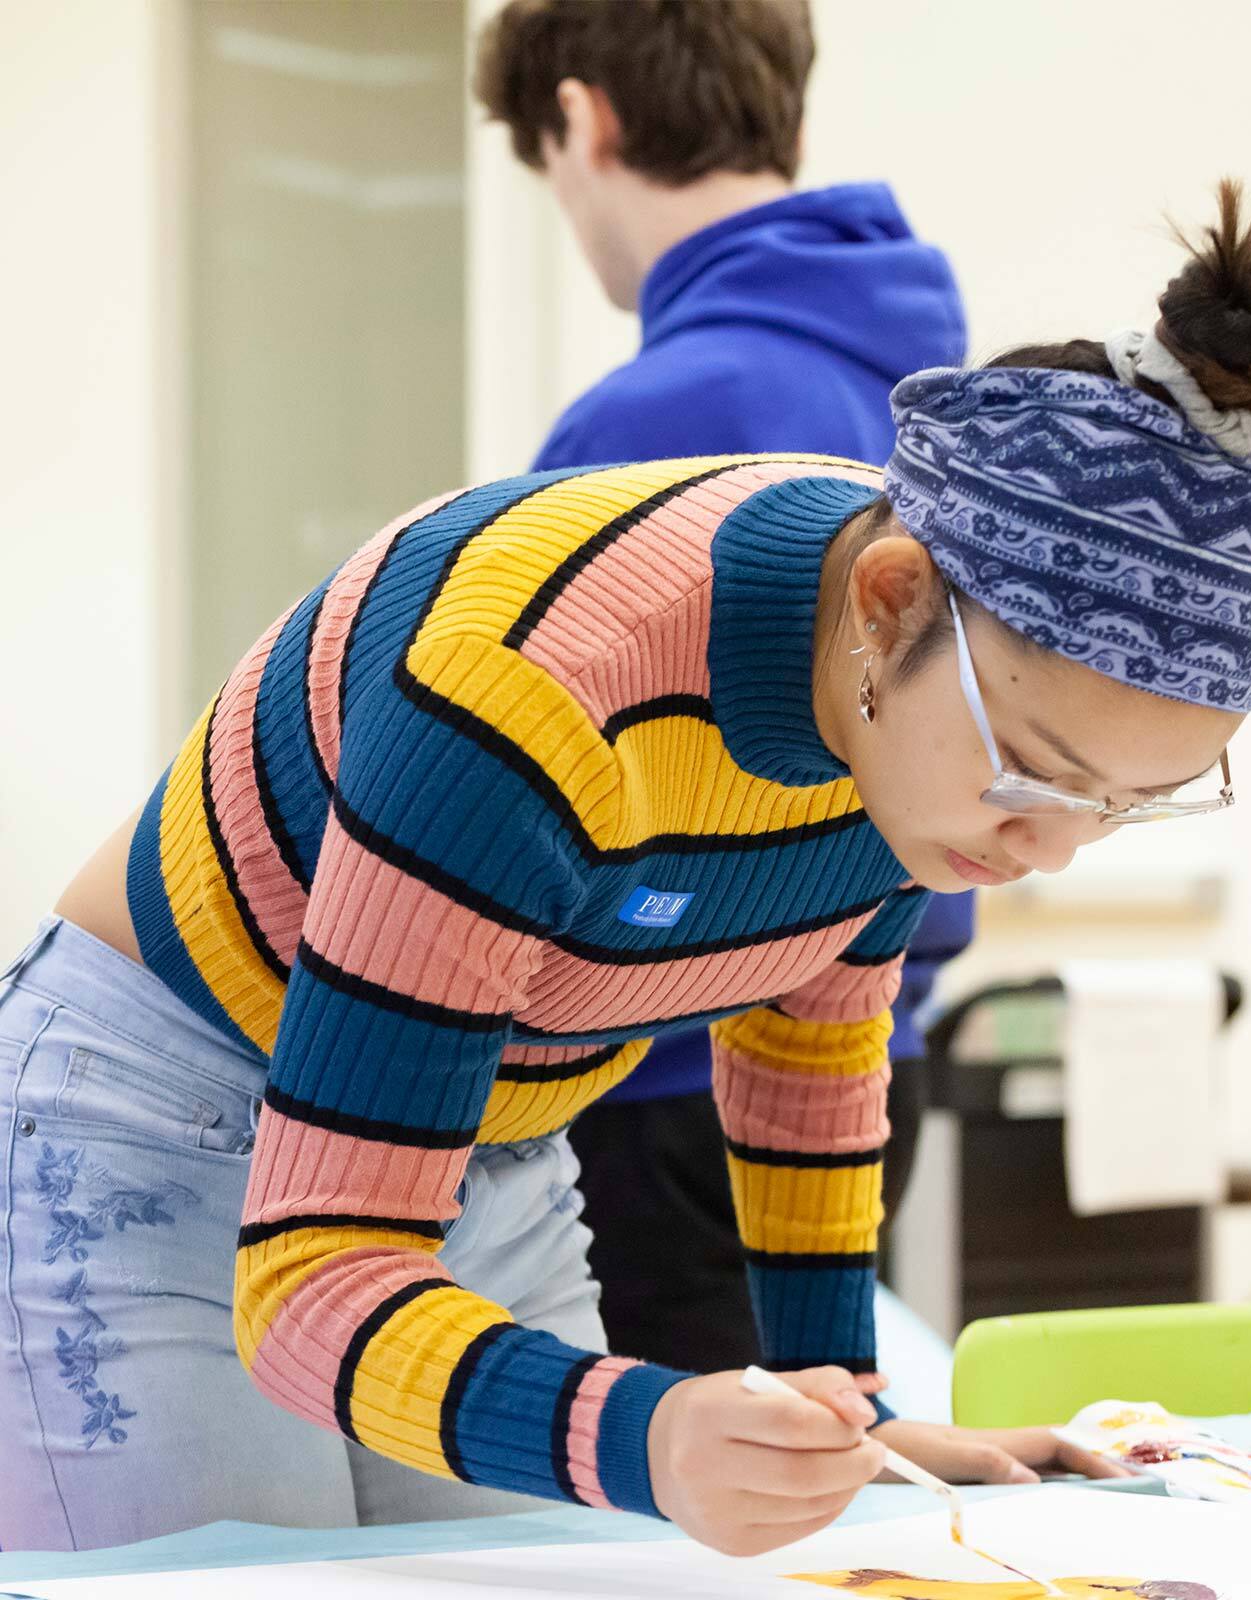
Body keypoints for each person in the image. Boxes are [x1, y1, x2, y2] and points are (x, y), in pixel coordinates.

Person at [0, 182, 1251, 1554]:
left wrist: (832, 1406)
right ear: (888, 605)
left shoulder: (921, 719)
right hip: (155, 1130)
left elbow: (809, 1044)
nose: (1048, 851)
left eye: (1127, 803)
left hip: (488, 1158)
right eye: (1036, 770)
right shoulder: (531, 698)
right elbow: (317, 1273)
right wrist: (651, 1433)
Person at [473, 0, 972, 1371]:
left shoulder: (647, 426)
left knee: (683, 1535)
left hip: (674, 1083)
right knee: (814, 1488)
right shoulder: (941, 387)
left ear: (582, 119)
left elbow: (514, 802)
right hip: (878, 1058)